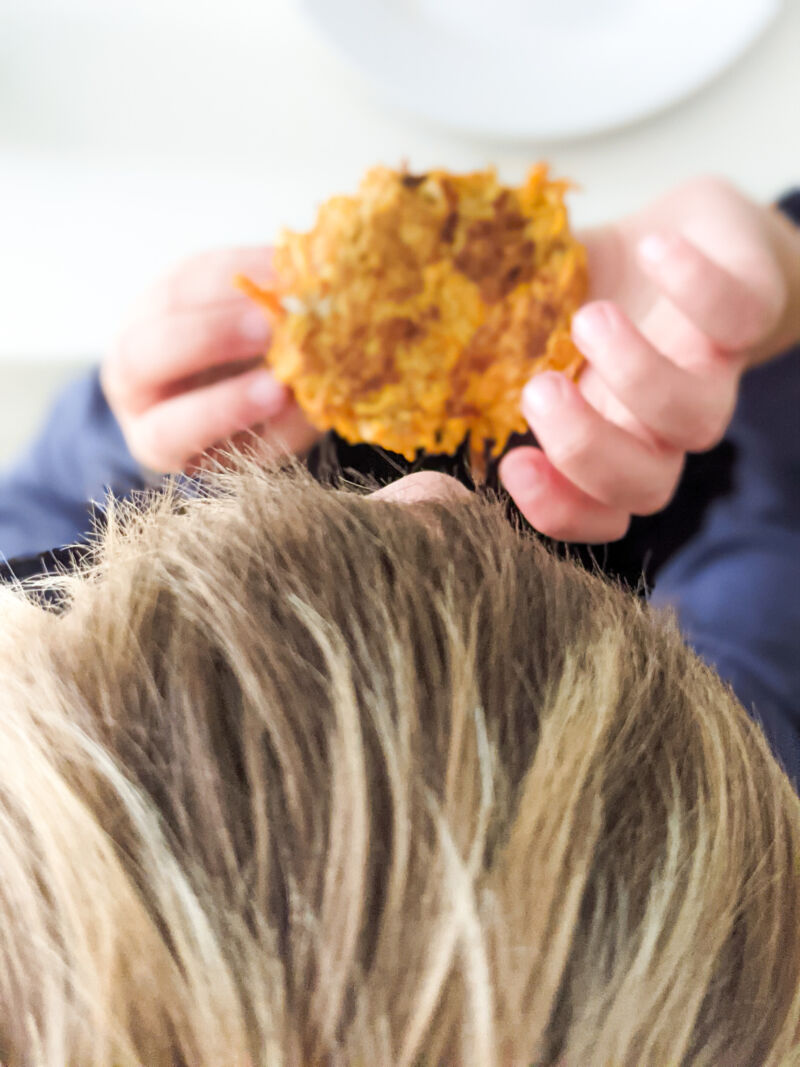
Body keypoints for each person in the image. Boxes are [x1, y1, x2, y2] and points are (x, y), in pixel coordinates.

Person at [2, 176, 799, 782]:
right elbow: (777, 578)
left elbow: (38, 517)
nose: (427, 495)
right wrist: (773, 313)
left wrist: (133, 428)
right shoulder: (723, 783)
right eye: (448, 675)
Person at [1, 461, 799, 1065]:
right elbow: (773, 557)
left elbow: (26, 510)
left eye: (73, 582)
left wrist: (124, 448)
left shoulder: (709, 900)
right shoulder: (743, 864)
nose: (431, 488)